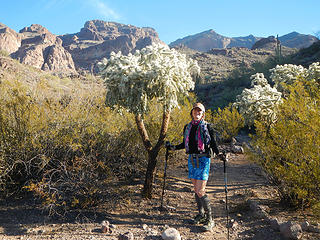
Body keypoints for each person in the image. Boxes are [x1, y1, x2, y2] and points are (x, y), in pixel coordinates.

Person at [166, 102, 224, 231]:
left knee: (200, 190)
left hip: (203, 160)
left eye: (200, 111)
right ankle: (201, 214)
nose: (197, 113)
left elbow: (214, 144)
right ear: (192, 112)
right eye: (195, 111)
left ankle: (210, 219)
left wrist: (219, 154)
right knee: (196, 190)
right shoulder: (188, 127)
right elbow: (185, 144)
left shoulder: (208, 127)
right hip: (192, 160)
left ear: (203, 114)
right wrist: (173, 147)